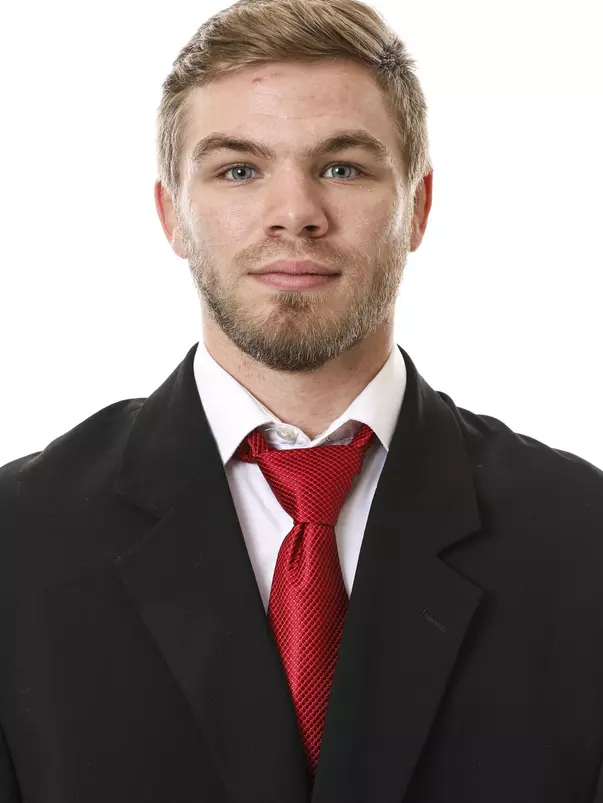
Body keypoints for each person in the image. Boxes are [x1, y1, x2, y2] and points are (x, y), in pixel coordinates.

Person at [1, 0, 603, 800]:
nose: (295, 214)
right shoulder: (17, 541)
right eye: (239, 169)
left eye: (342, 166)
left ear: (416, 207)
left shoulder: (580, 536)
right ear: (171, 216)